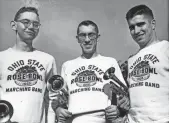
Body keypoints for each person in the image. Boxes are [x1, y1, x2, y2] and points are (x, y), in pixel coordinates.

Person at [54, 20, 129, 123]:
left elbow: (122, 95)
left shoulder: (110, 62)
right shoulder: (67, 65)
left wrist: (117, 110)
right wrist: (59, 110)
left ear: (98, 37)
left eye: (91, 35)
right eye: (82, 35)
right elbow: (61, 99)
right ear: (77, 39)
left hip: (103, 120)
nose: (87, 40)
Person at [0, 6, 57, 123]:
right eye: (25, 22)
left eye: (35, 24)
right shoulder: (2, 57)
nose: (31, 27)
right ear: (13, 25)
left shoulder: (48, 60)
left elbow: (51, 99)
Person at [125, 4, 169, 123]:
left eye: (141, 24)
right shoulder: (131, 60)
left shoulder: (165, 48)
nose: (136, 31)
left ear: (153, 24)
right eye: (132, 27)